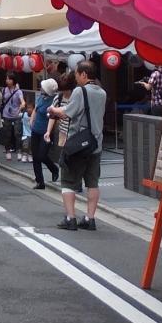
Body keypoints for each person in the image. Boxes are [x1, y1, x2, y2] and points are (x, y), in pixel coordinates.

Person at [54, 61, 107, 231]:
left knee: (68, 181)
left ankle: (71, 218)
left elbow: (67, 112)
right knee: (92, 182)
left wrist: (53, 110)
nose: (75, 77)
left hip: (77, 145)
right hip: (95, 144)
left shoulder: (80, 91)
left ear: (84, 74)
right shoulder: (102, 93)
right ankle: (90, 219)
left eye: (77, 73)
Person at [29, 78, 61, 189]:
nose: (41, 88)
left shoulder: (54, 100)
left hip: (46, 132)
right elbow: (36, 109)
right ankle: (40, 182)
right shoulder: (41, 97)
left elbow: (54, 117)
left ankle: (54, 168)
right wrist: (31, 120)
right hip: (35, 130)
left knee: (41, 155)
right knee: (35, 156)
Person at [1, 74, 25, 161]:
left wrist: (21, 107)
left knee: (17, 133)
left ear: (13, 80)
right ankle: (8, 151)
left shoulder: (18, 91)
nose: (7, 81)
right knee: (7, 134)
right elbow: (1, 101)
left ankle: (19, 151)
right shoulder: (4, 90)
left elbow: (23, 102)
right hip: (6, 114)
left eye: (9, 79)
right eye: (6, 79)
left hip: (16, 114)